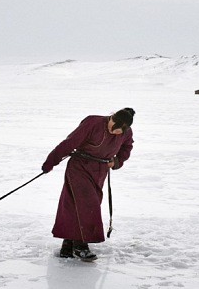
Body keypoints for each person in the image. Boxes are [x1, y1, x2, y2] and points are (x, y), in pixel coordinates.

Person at [41, 108, 135, 261]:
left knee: (75, 206)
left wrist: (117, 161)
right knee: (87, 205)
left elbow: (127, 147)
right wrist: (50, 162)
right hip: (80, 167)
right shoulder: (93, 123)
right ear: (111, 118)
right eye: (114, 129)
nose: (116, 133)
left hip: (100, 170)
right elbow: (69, 143)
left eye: (119, 132)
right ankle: (81, 245)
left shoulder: (126, 132)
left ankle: (67, 246)